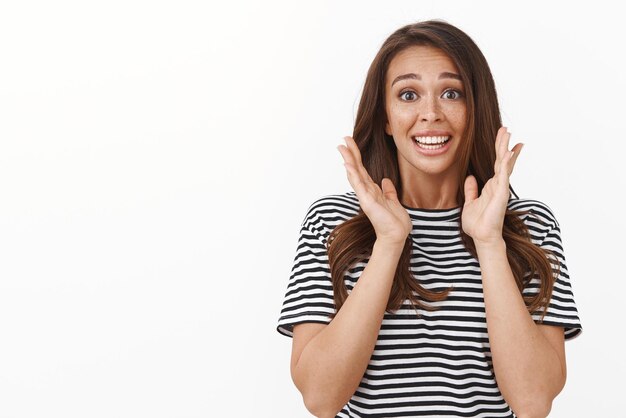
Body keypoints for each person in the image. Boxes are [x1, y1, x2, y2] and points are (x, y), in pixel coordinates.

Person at [277, 20, 581, 418]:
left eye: (451, 93)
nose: (431, 114)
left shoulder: (529, 226)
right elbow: (320, 397)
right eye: (408, 95)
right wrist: (388, 242)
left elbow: (533, 401)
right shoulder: (332, 223)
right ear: (385, 117)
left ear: (476, 109)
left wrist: (489, 244)